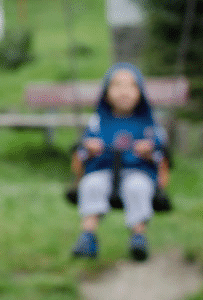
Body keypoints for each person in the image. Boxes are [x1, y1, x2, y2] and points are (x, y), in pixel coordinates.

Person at [71, 62, 168, 261]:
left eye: (131, 86)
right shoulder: (98, 121)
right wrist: (89, 148)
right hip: (103, 170)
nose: (124, 91)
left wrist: (149, 152)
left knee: (138, 188)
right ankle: (88, 235)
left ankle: (138, 236)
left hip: (137, 171)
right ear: (106, 94)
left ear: (140, 93)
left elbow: (161, 154)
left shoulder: (148, 123)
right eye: (117, 85)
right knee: (91, 184)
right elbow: (81, 152)